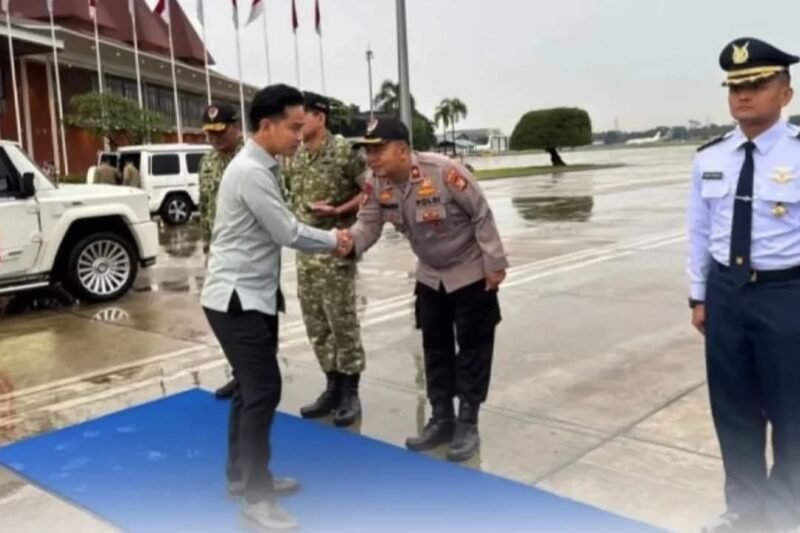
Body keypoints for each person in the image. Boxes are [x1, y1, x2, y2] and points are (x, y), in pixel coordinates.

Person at [200, 84, 351, 531]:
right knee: (263, 390)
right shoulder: (250, 171)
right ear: (266, 126)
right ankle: (256, 499)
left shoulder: (261, 165)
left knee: (250, 390)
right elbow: (286, 231)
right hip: (236, 299)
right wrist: (336, 240)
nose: (299, 137)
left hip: (251, 296)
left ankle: (243, 477)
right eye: (293, 127)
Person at [340, 118, 508, 462]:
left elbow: (481, 214)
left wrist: (494, 263)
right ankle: (441, 418)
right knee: (435, 348)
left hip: (471, 272)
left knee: (474, 349)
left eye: (378, 149)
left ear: (402, 149)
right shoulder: (377, 184)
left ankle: (467, 423)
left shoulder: (444, 172)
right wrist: (348, 243)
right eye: (367, 150)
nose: (371, 158)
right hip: (430, 275)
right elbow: (368, 224)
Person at [687, 37, 800, 533]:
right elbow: (698, 230)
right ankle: (745, 508)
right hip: (726, 295)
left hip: (787, 293)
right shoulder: (710, 157)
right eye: (735, 87)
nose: (743, 96)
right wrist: (699, 294)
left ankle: (786, 509)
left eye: (756, 84)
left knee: (791, 410)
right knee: (733, 408)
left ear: (786, 93)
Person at [283, 91, 368, 427]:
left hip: (335, 250)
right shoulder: (298, 156)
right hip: (306, 255)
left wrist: (339, 210)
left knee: (342, 321)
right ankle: (331, 385)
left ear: (320, 117)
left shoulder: (344, 152)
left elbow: (371, 193)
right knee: (316, 324)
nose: (298, 124)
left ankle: (350, 391)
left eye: (303, 116)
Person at [197, 102, 245, 401]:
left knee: (249, 319)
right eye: (210, 132)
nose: (214, 138)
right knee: (224, 317)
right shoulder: (207, 162)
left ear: (236, 128)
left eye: (220, 131)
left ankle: (255, 377)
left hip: (246, 257)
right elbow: (205, 208)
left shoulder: (253, 161)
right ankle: (240, 374)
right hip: (217, 254)